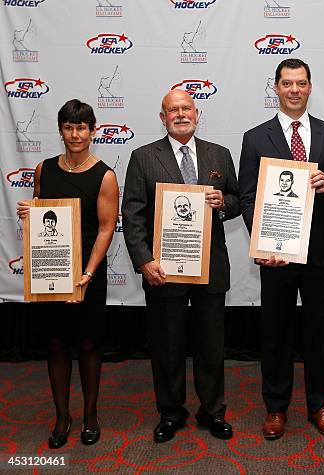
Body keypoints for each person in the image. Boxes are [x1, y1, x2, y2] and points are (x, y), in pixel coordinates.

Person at [239, 58, 324, 440]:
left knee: (321, 332)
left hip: (321, 251)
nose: (294, 90)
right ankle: (275, 408)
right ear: (275, 87)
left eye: (301, 83)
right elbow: (246, 197)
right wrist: (261, 242)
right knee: (276, 332)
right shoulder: (255, 137)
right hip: (276, 253)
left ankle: (319, 405)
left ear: (310, 87)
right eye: (287, 83)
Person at [121, 89, 240, 443]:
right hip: (165, 269)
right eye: (172, 110)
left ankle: (212, 411)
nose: (180, 114)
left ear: (197, 113)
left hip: (210, 267)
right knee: (168, 345)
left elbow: (236, 200)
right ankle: (171, 412)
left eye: (186, 108)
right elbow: (133, 214)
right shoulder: (143, 157)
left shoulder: (219, 154)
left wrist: (224, 203)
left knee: (211, 344)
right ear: (162, 118)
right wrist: (143, 260)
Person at [16, 99, 119, 449]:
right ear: (61, 130)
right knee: (56, 344)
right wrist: (29, 213)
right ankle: (62, 416)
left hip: (87, 272)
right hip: (52, 272)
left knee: (89, 344)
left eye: (81, 127)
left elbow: (106, 229)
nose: (75, 134)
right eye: (68, 127)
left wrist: (87, 275)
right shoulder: (44, 169)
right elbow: (42, 212)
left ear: (93, 130)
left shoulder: (105, 175)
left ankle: (90, 415)